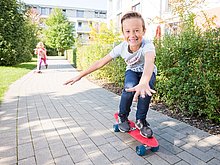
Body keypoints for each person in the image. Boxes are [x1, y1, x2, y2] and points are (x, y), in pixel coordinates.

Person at [64, 11, 157, 138]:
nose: (132, 35)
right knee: (129, 87)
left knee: (145, 92)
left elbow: (149, 61)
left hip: (148, 72)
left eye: (136, 30)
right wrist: (80, 75)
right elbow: (100, 63)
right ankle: (122, 116)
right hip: (132, 72)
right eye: (128, 31)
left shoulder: (148, 45)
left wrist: (144, 81)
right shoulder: (121, 47)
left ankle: (141, 120)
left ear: (143, 31)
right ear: (123, 33)